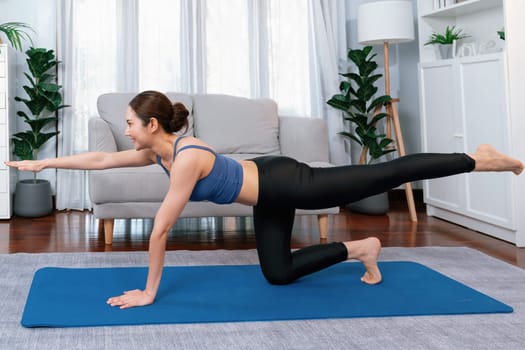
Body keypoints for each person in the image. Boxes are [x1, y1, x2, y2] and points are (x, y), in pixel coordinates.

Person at [6, 90, 523, 310]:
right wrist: (43, 164)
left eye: (128, 125)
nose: (124, 133)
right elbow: (101, 161)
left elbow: (161, 229)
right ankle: (362, 247)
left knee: (381, 173)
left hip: (289, 183)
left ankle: (477, 158)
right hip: (265, 196)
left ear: (152, 125)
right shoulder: (156, 154)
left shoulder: (184, 158)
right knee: (278, 274)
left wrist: (148, 292)